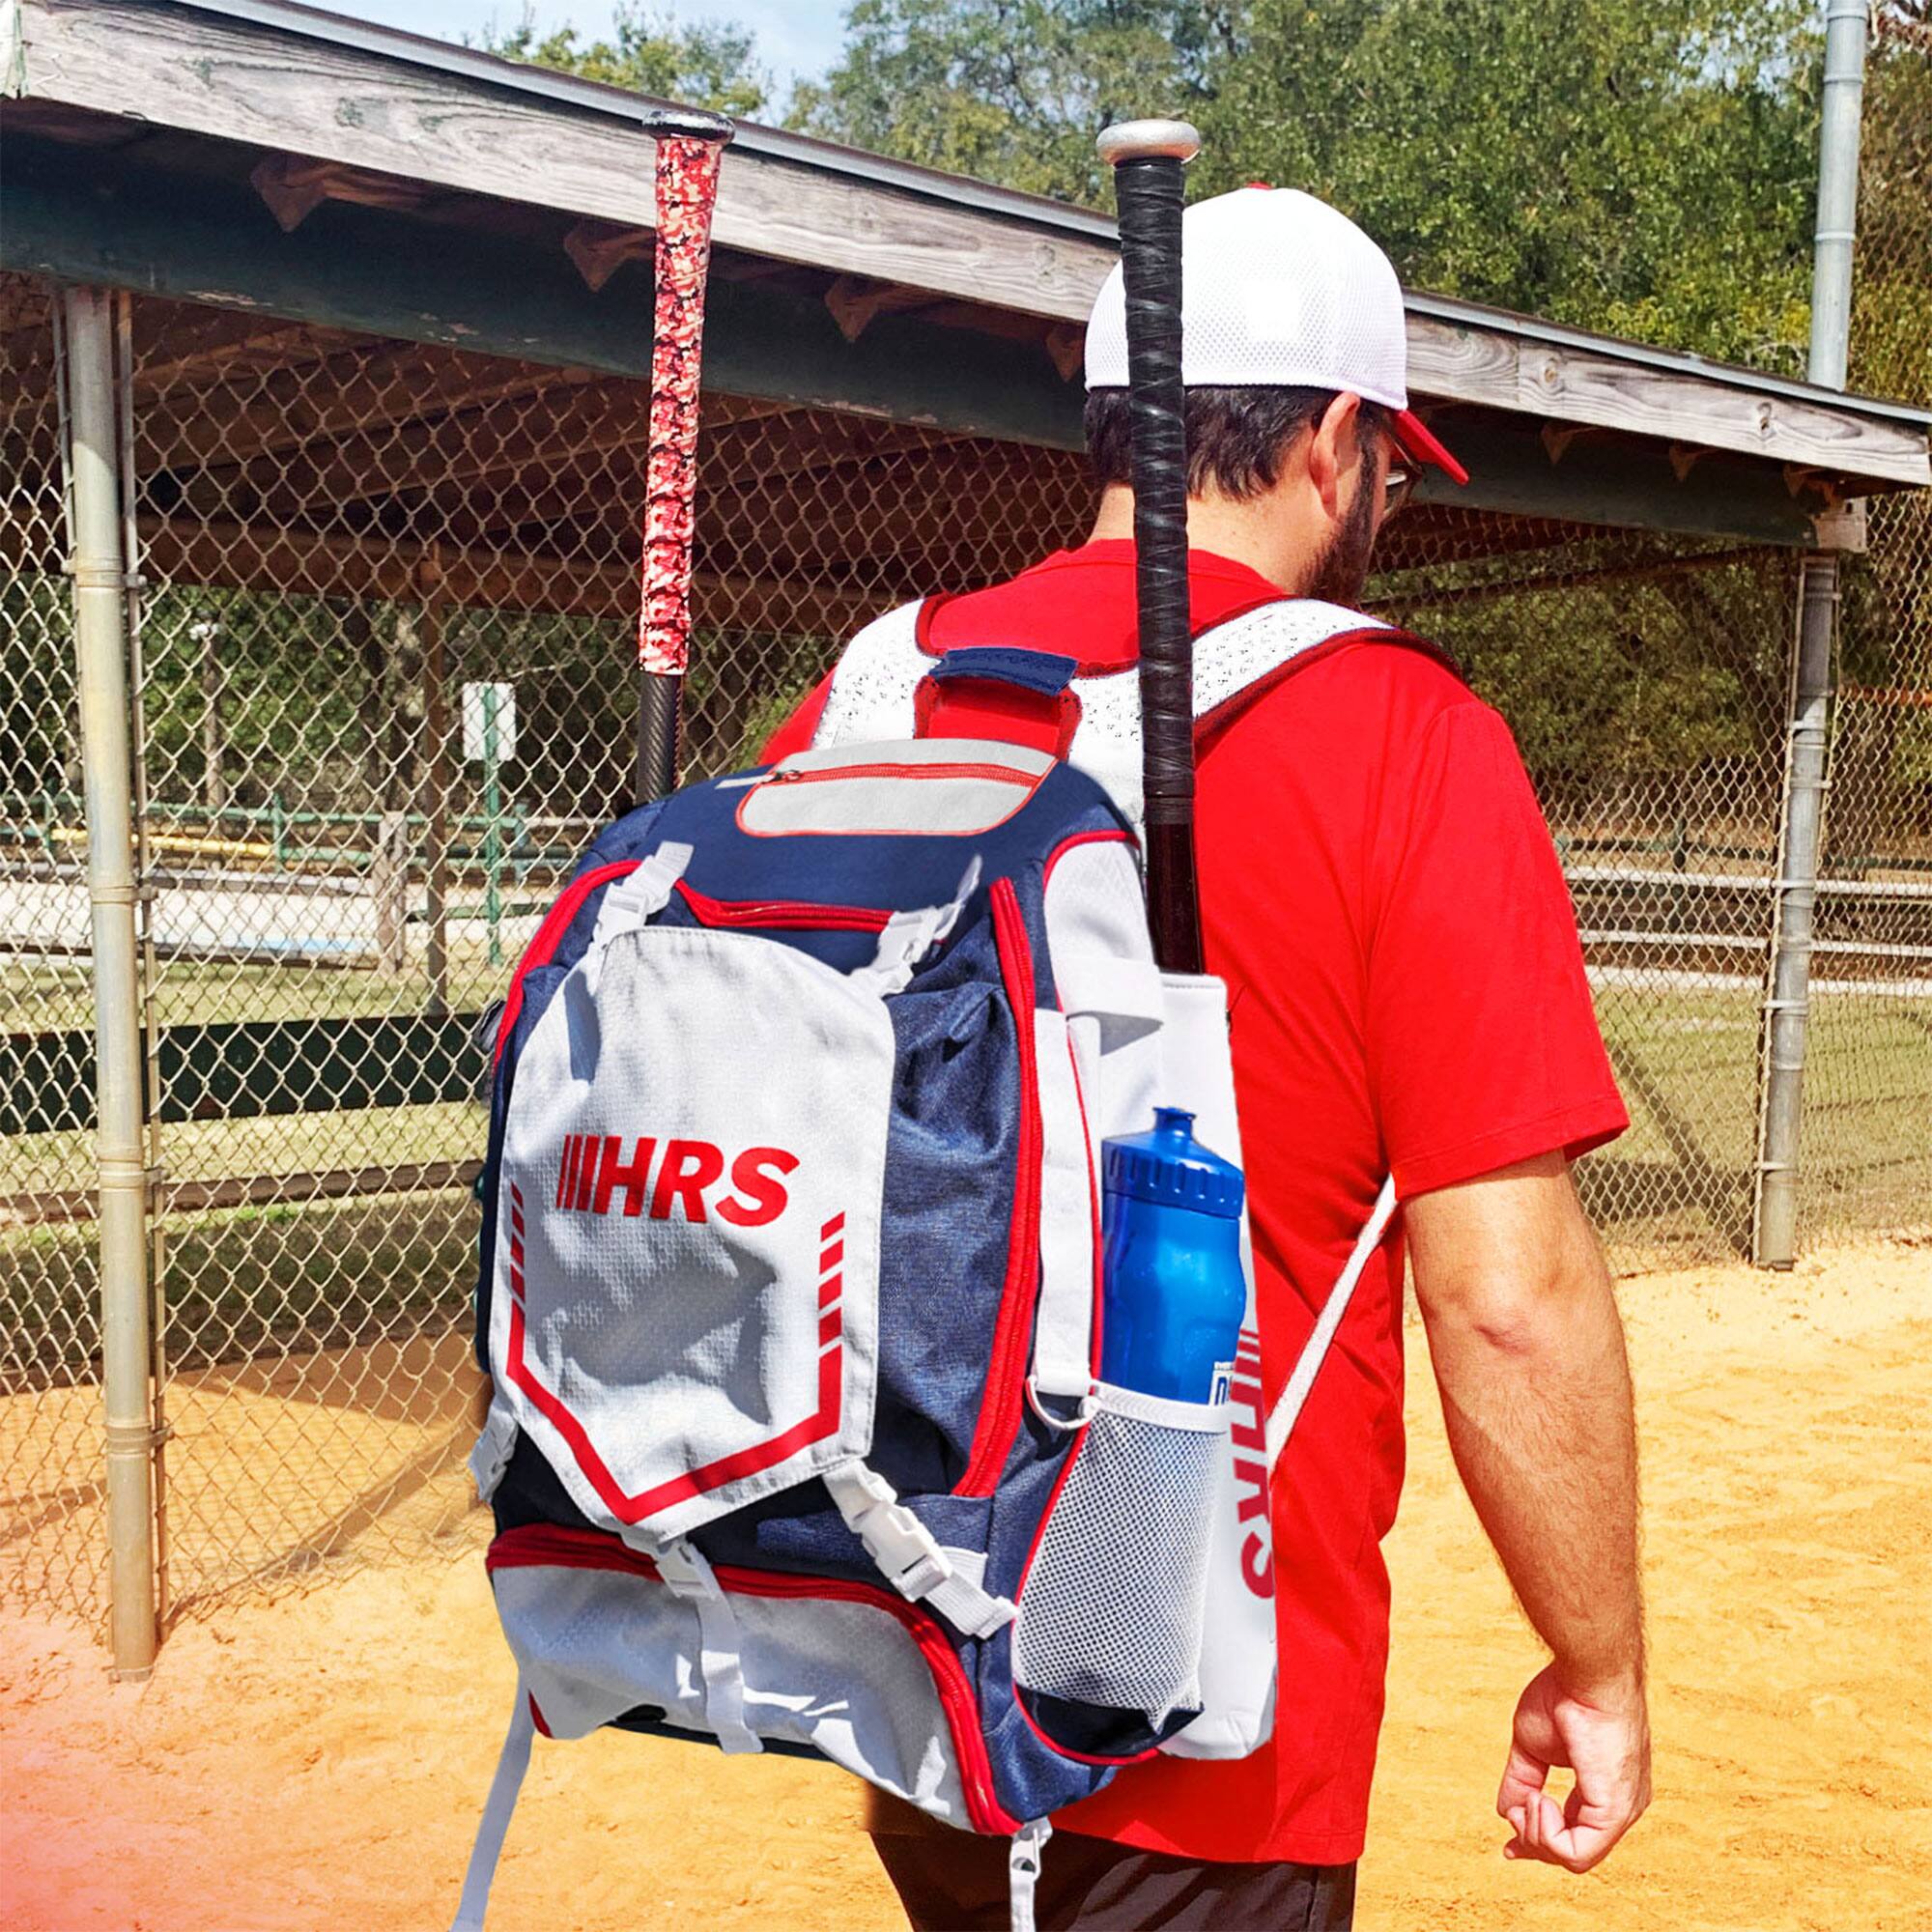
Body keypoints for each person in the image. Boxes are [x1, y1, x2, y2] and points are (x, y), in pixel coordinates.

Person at [763, 185, 1650, 1932]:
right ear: (1335, 442)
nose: (1384, 499)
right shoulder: (1407, 737)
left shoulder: (870, 697)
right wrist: (1597, 1660)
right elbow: (1505, 1298)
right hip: (1212, 1732)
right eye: (1389, 464)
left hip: (906, 1669)